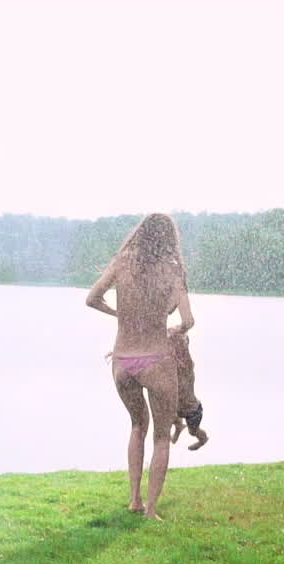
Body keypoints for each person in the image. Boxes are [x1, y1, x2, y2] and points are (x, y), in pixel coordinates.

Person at [86, 213, 194, 520]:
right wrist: (174, 329)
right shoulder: (172, 271)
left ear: (140, 235)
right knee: (162, 436)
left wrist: (120, 315)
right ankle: (151, 510)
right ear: (169, 239)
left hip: (122, 361)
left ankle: (133, 499)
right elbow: (187, 320)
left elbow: (92, 298)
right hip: (156, 360)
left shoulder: (122, 263)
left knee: (137, 426)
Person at [168, 332, 208, 450]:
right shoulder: (171, 364)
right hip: (178, 408)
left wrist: (181, 338)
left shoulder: (188, 366)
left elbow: (184, 350)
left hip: (193, 411)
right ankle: (179, 427)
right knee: (167, 415)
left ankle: (203, 439)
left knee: (193, 431)